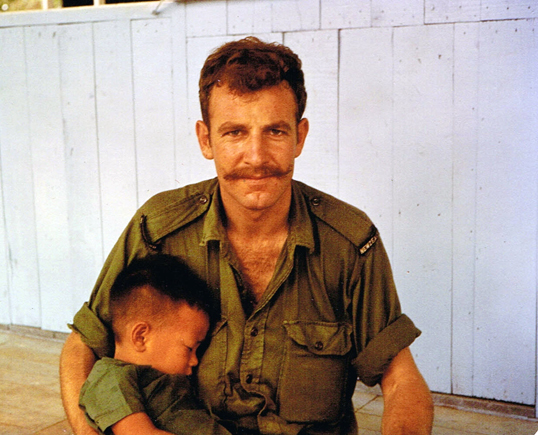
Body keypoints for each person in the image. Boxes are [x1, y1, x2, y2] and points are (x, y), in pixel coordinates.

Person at [61, 36, 434, 435]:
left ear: (299, 137)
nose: (256, 157)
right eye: (235, 133)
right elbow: (83, 346)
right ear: (206, 139)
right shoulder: (158, 229)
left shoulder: (349, 242)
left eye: (274, 131)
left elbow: (401, 378)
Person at [78, 254, 231, 435]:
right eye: (189, 348)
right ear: (141, 337)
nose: (194, 361)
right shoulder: (109, 379)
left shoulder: (156, 378)